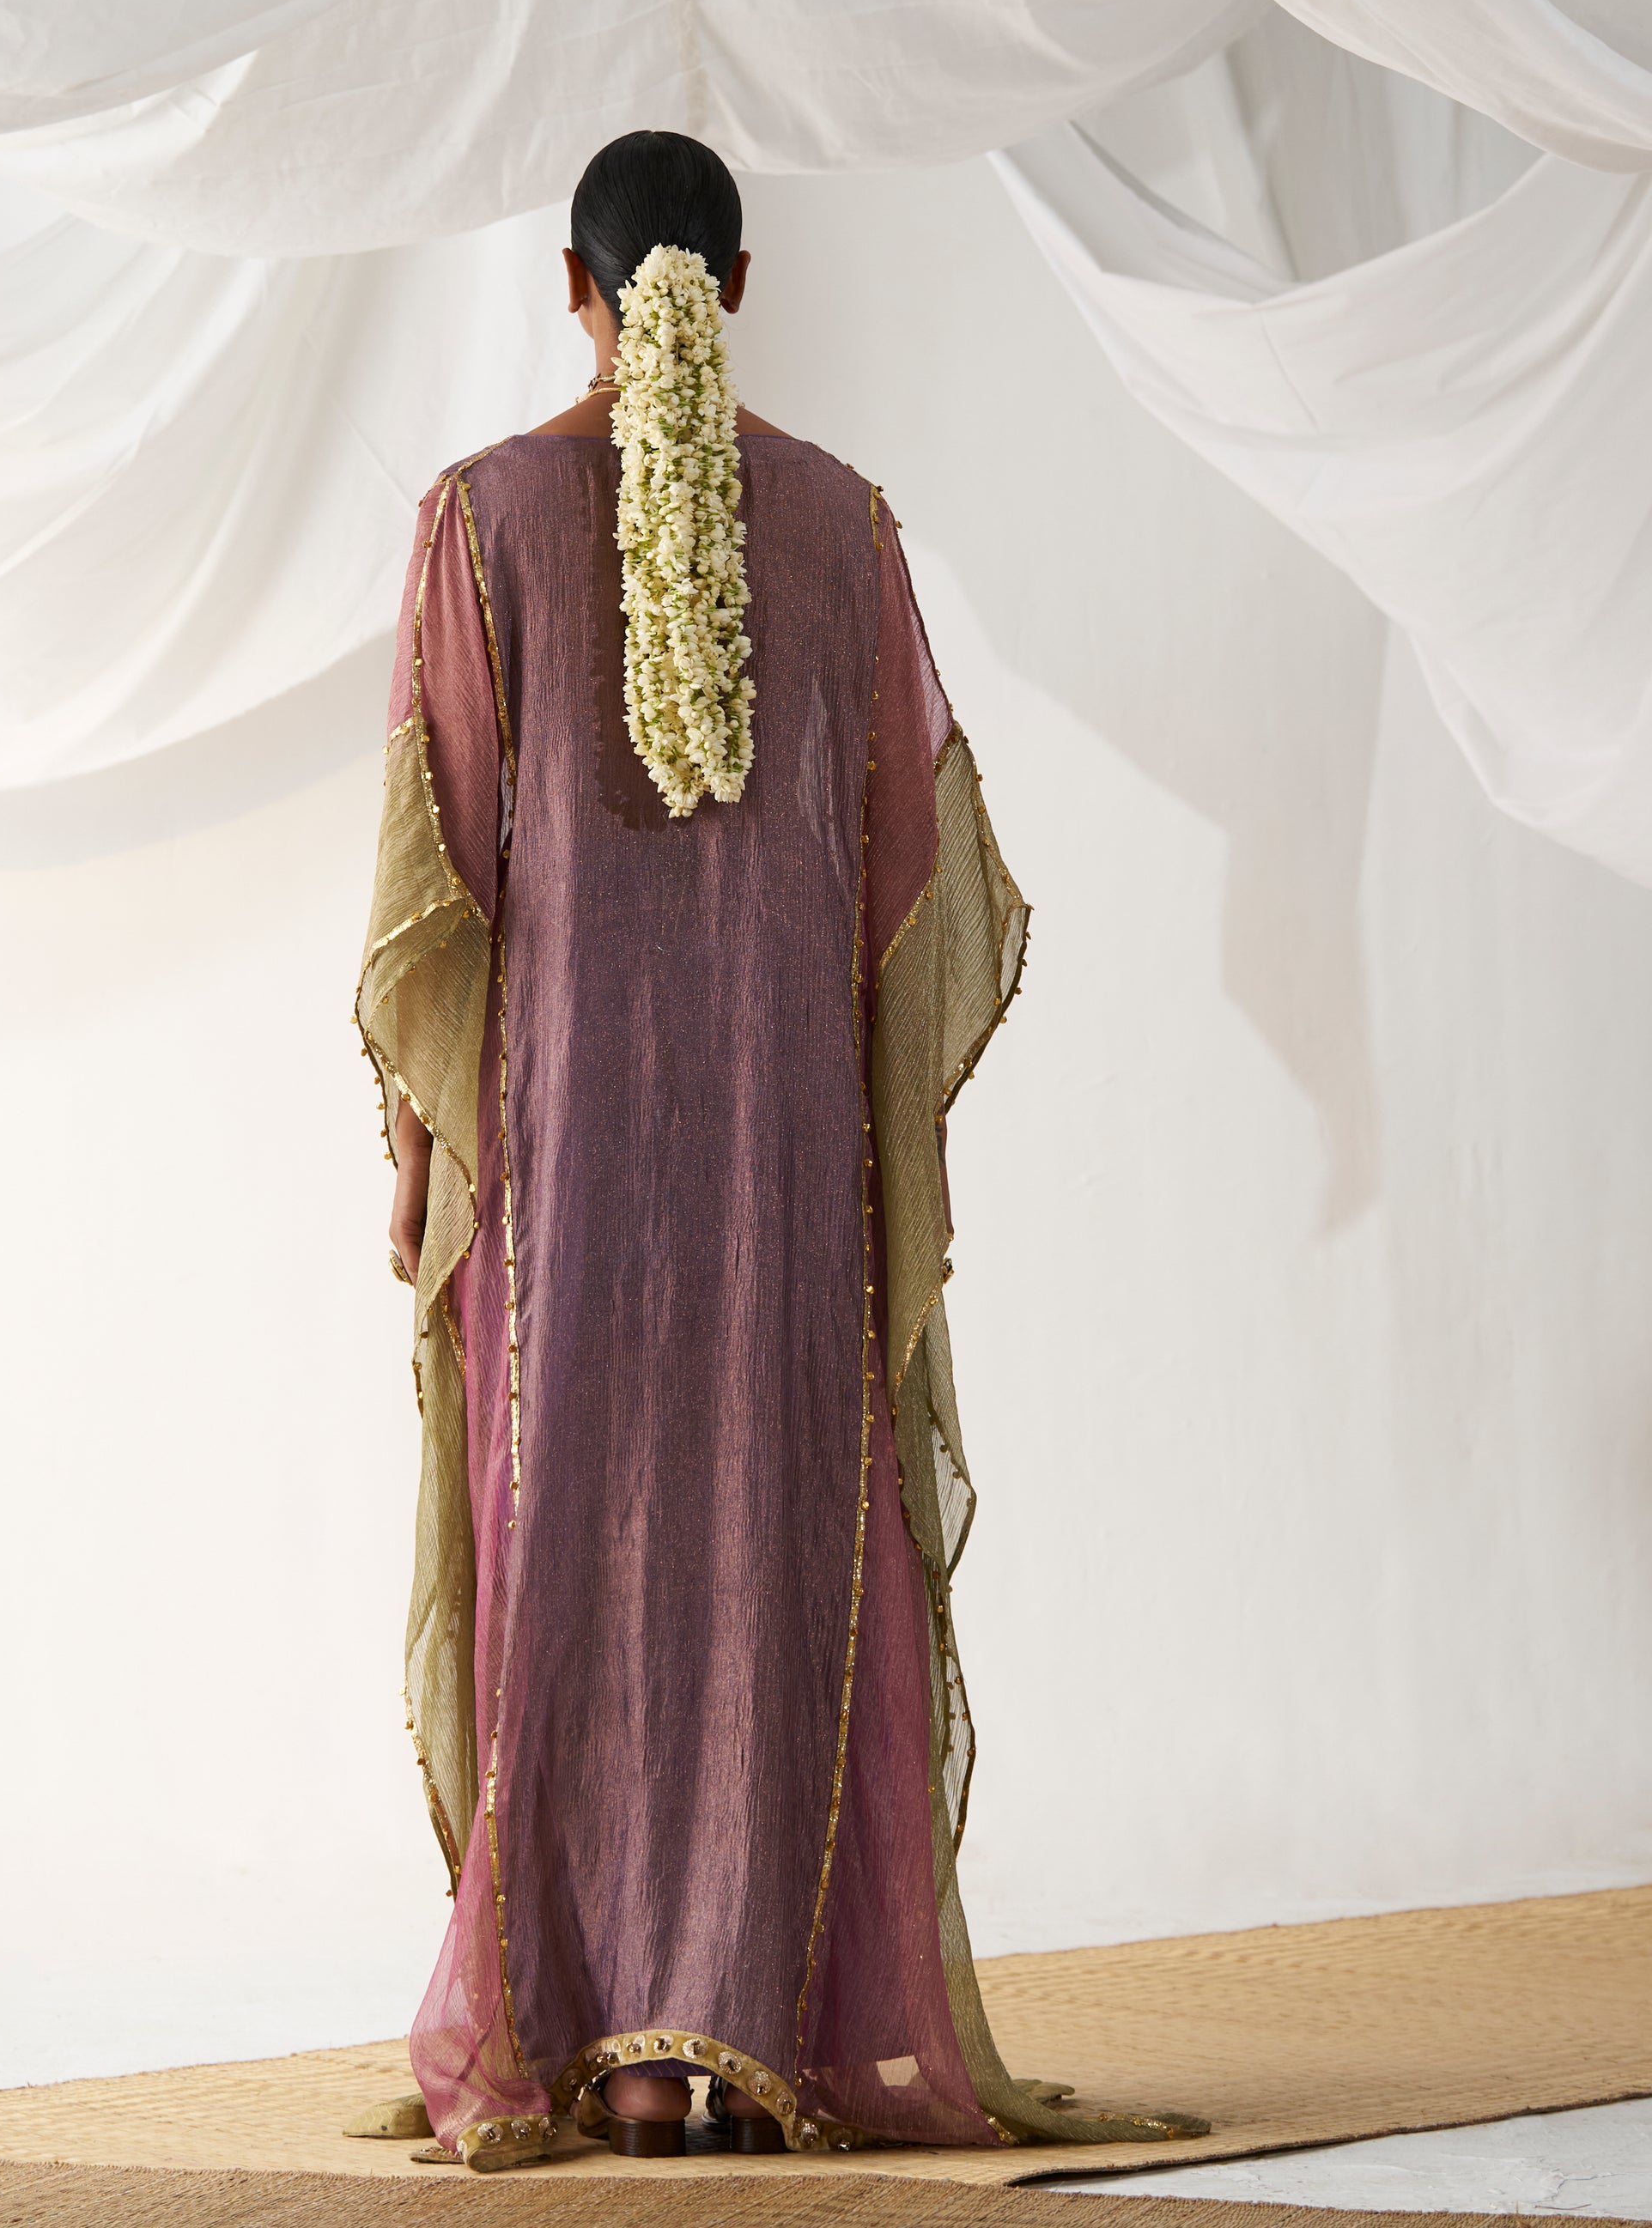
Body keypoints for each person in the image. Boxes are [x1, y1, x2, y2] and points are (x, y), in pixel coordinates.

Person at [353, 131, 1200, 2171]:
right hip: (787, 1153)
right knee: (765, 1534)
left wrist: (415, 1146)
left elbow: (433, 880)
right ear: (736, 282)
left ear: (573, 284)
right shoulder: (841, 526)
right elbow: (919, 879)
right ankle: (746, 2032)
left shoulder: (481, 519)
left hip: (560, 1157)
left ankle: (599, 2044)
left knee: (572, 1540)